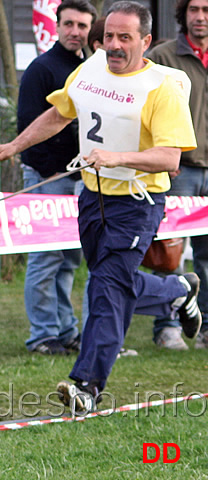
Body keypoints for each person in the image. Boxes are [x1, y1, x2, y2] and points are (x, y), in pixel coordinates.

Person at [0, 1, 202, 414]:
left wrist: (117, 157)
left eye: (125, 38)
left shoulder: (162, 87)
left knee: (105, 289)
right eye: (109, 37)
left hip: (137, 202)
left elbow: (170, 158)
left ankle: (86, 384)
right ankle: (175, 290)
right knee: (113, 284)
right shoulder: (89, 69)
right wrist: (13, 146)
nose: (114, 46)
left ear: (146, 41)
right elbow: (58, 113)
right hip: (92, 197)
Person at [16, 0, 96, 356]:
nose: (75, 32)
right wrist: (51, 172)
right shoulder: (41, 69)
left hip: (81, 179)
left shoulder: (91, 69)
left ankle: (66, 332)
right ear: (58, 25)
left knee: (69, 260)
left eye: (82, 26)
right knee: (45, 259)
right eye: (69, 24)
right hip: (48, 179)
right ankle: (43, 335)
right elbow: (29, 128)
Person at [148, 0, 208, 350]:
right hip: (179, 169)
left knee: (207, 257)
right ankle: (166, 326)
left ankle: (204, 326)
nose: (200, 17)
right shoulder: (163, 56)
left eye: (206, 9)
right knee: (169, 253)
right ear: (183, 15)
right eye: (194, 10)